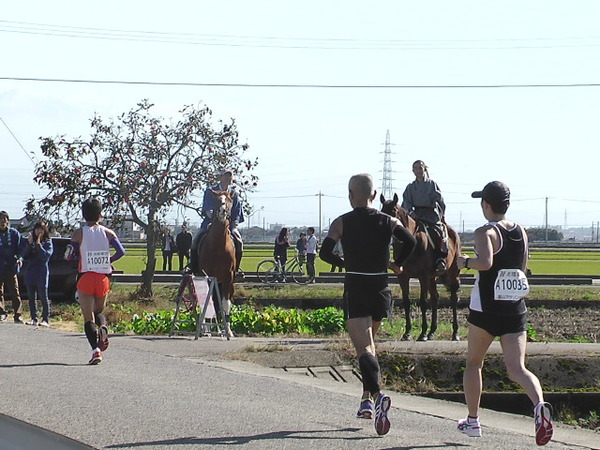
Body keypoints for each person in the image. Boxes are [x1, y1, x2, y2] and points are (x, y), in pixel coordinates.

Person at [456, 181, 553, 446]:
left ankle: (473, 421)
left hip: (486, 309)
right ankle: (539, 406)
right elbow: (523, 265)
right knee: (517, 368)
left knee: (474, 363)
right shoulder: (521, 231)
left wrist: (464, 262)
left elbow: (485, 263)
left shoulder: (484, 232)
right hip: (514, 309)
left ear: (486, 205)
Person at [319, 173, 416, 436]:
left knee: (364, 348)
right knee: (370, 345)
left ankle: (378, 395)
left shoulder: (341, 222)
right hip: (381, 288)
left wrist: (343, 264)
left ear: (350, 195)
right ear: (374, 196)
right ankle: (366, 401)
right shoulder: (389, 220)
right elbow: (411, 240)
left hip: (357, 287)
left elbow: (324, 253)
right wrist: (398, 263)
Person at [67, 198, 125, 365]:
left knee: (87, 317)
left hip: (86, 276)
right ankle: (103, 327)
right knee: (99, 311)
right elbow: (121, 251)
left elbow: (69, 254)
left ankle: (95, 351)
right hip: (103, 277)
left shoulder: (79, 233)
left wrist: (78, 257)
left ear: (84, 215)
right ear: (100, 214)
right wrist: (109, 260)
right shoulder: (108, 233)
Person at [190, 169, 245, 277]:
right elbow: (207, 207)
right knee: (196, 240)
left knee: (239, 242)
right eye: (226, 176)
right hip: (211, 222)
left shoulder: (234, 194)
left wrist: (234, 224)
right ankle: (193, 267)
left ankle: (236, 269)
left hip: (229, 225)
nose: (228, 179)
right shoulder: (210, 191)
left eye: (230, 177)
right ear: (221, 177)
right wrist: (213, 217)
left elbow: (237, 211)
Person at [401, 160, 448, 274]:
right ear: (413, 171)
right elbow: (406, 202)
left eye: (420, 168)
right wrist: (411, 212)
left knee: (438, 233)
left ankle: (440, 258)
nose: (418, 170)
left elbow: (440, 201)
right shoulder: (410, 187)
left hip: (430, 215)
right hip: (415, 215)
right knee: (403, 233)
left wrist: (442, 215)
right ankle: (401, 259)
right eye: (415, 168)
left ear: (425, 169)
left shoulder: (432, 184)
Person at [22, 221, 53, 327]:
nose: (38, 231)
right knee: (31, 297)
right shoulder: (31, 241)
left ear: (45, 231)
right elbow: (25, 255)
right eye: (37, 229)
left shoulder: (48, 242)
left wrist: (39, 245)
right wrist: (30, 244)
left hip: (42, 272)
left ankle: (45, 319)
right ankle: (34, 318)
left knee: (43, 297)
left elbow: (45, 256)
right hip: (31, 271)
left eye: (41, 229)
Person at [0, 211, 24, 323]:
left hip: (11, 266)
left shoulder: (14, 233)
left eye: (5, 219)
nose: (3, 221)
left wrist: (20, 258)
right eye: (1, 219)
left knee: (15, 291)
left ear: (8, 221)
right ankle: (1, 313)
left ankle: (18, 314)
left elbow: (21, 249)